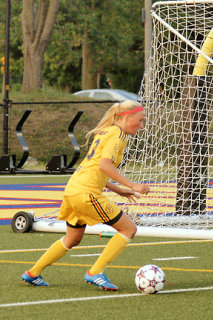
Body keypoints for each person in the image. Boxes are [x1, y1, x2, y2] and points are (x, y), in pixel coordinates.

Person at [21, 100, 149, 291]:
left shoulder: (107, 131)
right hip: (86, 193)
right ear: (127, 117)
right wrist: (132, 185)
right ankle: (95, 272)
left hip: (73, 189)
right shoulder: (118, 136)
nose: (141, 126)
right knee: (128, 229)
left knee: (72, 239)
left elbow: (95, 167)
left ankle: (33, 273)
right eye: (140, 120)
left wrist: (118, 189)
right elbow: (104, 165)